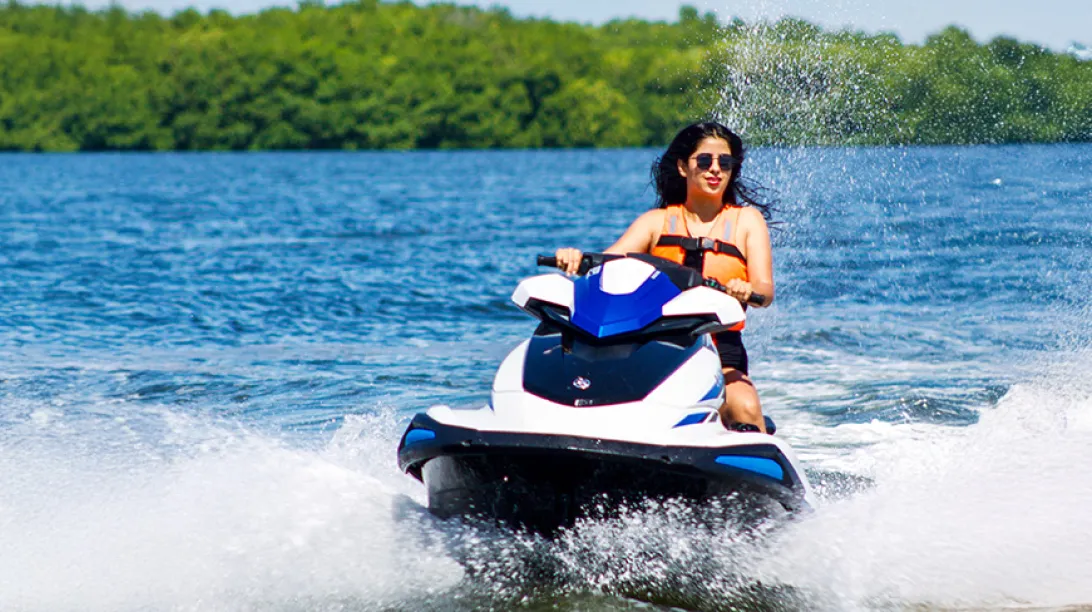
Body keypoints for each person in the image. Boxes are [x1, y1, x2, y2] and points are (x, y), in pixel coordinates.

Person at [554, 121, 775, 433]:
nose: (715, 169)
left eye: (725, 163)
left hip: (720, 351)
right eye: (705, 161)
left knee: (745, 406)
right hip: (656, 349)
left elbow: (765, 290)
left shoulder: (747, 221)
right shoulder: (655, 223)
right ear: (683, 167)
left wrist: (747, 288)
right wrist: (575, 260)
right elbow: (604, 265)